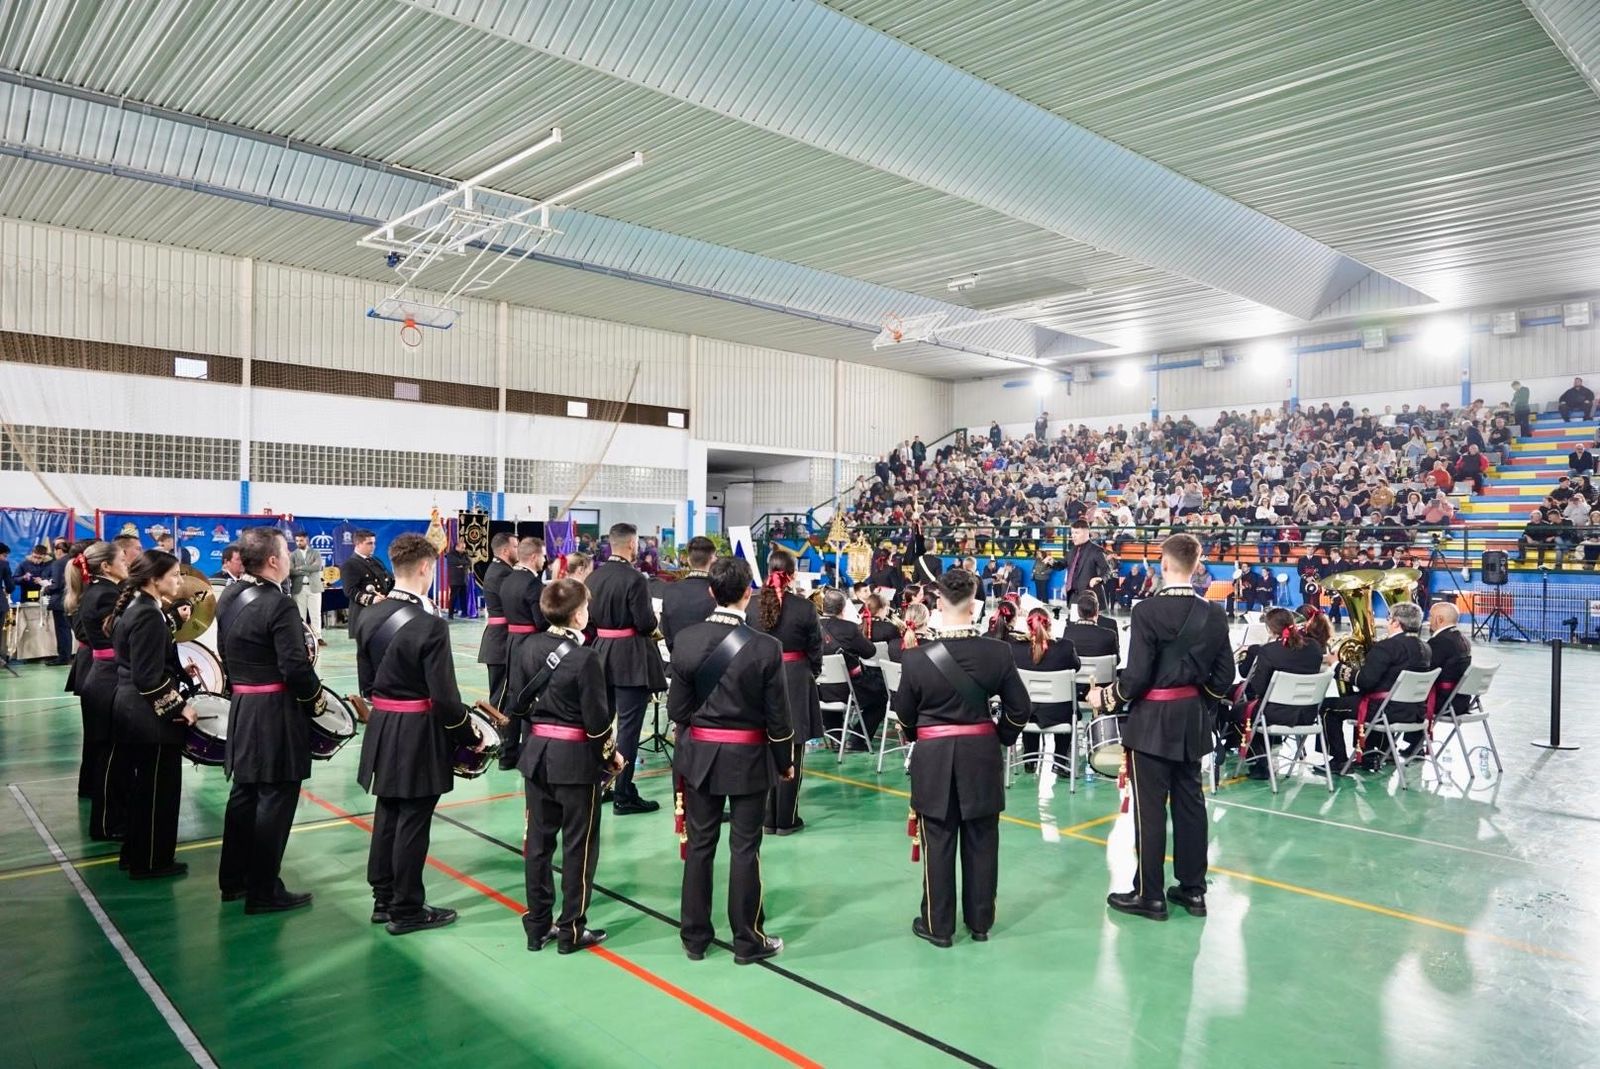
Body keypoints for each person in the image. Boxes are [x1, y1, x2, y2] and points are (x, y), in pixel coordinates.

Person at [1090, 533, 1232, 922]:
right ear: (1196, 565)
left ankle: (1150, 894)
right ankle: (1193, 890)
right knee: (1191, 806)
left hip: (1152, 723)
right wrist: (1195, 702)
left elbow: (1135, 678)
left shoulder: (1146, 612)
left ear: (1164, 565)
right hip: (1191, 720)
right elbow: (1225, 677)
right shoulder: (1215, 614)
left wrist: (1105, 698)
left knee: (1150, 812)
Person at [894, 568, 1030, 947]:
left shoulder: (917, 659)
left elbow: (904, 715)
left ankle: (939, 926)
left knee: (938, 839)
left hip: (934, 757)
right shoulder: (998, 652)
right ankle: (981, 922)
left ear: (939, 603)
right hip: (981, 755)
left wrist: (920, 735)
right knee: (982, 839)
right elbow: (1021, 707)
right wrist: (998, 737)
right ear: (974, 604)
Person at [354, 532, 482, 935]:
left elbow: (367, 684)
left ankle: (383, 897)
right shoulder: (429, 625)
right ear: (427, 567)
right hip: (417, 729)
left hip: (384, 724)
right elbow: (445, 698)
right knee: (413, 817)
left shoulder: (368, 616)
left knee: (388, 811)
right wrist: (467, 734)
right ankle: (407, 908)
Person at [669, 557, 795, 965]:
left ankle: (694, 937)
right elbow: (778, 717)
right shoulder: (765, 647)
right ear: (748, 594)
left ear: (711, 592)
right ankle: (747, 939)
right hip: (749, 759)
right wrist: (785, 760)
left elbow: (678, 709)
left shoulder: (685, 639)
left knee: (700, 846)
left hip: (700, 757)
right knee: (745, 848)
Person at [216, 527, 325, 914]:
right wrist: (316, 701)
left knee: (244, 794)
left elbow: (224, 652)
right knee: (276, 796)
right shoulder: (279, 604)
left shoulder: (229, 595)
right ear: (275, 561)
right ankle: (264, 889)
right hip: (275, 709)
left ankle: (234, 879)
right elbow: (294, 666)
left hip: (243, 706)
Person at [510, 578, 619, 953]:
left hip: (537, 756)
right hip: (575, 762)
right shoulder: (586, 657)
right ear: (578, 615)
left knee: (538, 844)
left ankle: (537, 925)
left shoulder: (526, 647)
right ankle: (571, 928)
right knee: (579, 847)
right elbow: (597, 720)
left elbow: (518, 704)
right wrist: (611, 755)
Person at [108, 550, 197, 879]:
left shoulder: (141, 608)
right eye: (173, 575)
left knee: (144, 788)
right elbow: (147, 678)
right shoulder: (146, 614)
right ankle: (152, 861)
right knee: (158, 790)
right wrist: (180, 706)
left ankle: (135, 854)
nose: (178, 580)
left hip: (132, 707)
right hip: (148, 716)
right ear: (153, 579)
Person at [586, 522, 666, 815]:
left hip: (600, 654)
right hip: (630, 658)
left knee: (602, 725)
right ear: (632, 545)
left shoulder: (593, 577)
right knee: (629, 730)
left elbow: (589, 622)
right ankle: (623, 793)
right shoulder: (635, 579)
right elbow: (645, 623)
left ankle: (600, 784)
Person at [745, 547, 821, 834]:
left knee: (763, 747)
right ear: (793, 575)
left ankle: (765, 818)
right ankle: (786, 819)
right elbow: (816, 648)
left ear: (768, 570)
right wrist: (808, 673)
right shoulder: (805, 607)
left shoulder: (751, 605)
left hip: (758, 678)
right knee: (793, 748)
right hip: (795, 678)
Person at [1319, 601, 1431, 773]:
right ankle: (1375, 753)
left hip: (1384, 711)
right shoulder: (1425, 647)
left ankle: (1339, 760)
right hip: (1412, 711)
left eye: (1389, 618)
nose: (1387, 622)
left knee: (1326, 707)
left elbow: (1366, 681)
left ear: (1395, 622)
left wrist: (1336, 665)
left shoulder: (1387, 647)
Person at [67, 542, 128, 839]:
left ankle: (110, 821)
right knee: (111, 758)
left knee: (108, 755)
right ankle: (107, 824)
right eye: (122, 559)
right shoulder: (106, 594)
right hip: (107, 680)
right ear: (106, 566)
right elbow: (121, 636)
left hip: (102, 677)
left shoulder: (98, 591)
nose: (127, 563)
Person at [1231, 607, 1326, 779]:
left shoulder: (1269, 651)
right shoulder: (1314, 647)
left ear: (1269, 629)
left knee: (1238, 713)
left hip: (1275, 714)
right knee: (1255, 711)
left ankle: (1259, 761)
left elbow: (1259, 689)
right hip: (1308, 714)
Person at [994, 601, 1078, 775]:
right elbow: (1076, 667)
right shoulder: (1065, 647)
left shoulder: (1015, 649)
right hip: (1059, 713)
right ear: (1050, 624)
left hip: (1026, 712)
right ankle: (1060, 760)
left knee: (1028, 701)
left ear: (1027, 624)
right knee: (1065, 706)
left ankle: (1029, 758)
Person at [817, 587, 887, 748]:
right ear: (843, 608)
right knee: (881, 698)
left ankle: (835, 737)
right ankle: (858, 739)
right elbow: (870, 651)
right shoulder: (848, 628)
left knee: (832, 686)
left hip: (820, 689)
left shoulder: (813, 626)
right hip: (848, 689)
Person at [476, 532, 517, 699]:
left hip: (498, 640)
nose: (519, 550)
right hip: (501, 642)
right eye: (515, 546)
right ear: (506, 551)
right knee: (501, 698)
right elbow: (514, 605)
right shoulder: (502, 573)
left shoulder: (499, 569)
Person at [660, 536, 717, 651]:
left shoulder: (670, 590)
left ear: (689, 561)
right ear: (712, 559)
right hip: (712, 660)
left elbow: (666, 631)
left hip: (678, 657)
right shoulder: (719, 591)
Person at [339, 529, 393, 639]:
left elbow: (388, 581)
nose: (373, 546)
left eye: (374, 543)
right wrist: (372, 599)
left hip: (381, 613)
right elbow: (350, 591)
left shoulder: (376, 561)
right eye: (369, 543)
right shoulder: (350, 564)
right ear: (358, 544)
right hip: (364, 615)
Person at [289, 532, 326, 648]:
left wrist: (301, 568)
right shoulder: (293, 555)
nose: (299, 543)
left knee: (315, 614)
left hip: (314, 587)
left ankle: (318, 637)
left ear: (307, 540)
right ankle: (302, 637)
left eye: (301, 540)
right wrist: (308, 569)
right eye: (297, 541)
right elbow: (291, 571)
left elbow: (317, 567)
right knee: (301, 614)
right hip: (299, 587)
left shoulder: (315, 553)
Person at [1062, 520, 1111, 605]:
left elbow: (1107, 570)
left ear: (1086, 533)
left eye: (1076, 533)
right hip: (1073, 597)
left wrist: (1099, 579)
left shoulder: (1096, 550)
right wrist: (1051, 563)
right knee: (1073, 618)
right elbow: (1062, 564)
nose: (1073, 536)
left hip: (1090, 598)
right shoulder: (1072, 550)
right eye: (1072, 533)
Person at [1063, 592, 1119, 661]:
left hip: (1078, 671)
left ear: (1078, 612)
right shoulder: (1110, 635)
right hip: (1103, 671)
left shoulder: (1068, 632)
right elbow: (1117, 660)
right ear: (1097, 611)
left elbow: (1065, 658)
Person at [44, 539, 72, 665]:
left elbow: (56, 585)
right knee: (67, 630)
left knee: (62, 630)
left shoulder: (58, 563)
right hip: (71, 599)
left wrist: (46, 588)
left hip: (59, 601)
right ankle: (66, 655)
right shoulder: (72, 561)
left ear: (59, 550)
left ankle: (63, 657)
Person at [445, 539, 470, 619]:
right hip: (455, 580)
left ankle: (464, 613)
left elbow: (469, 562)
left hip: (464, 579)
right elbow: (454, 562)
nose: (464, 549)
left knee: (463, 597)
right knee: (453, 598)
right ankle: (450, 614)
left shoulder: (465, 554)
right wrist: (463, 564)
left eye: (464, 548)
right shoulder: (450, 554)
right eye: (462, 548)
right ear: (457, 547)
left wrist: (462, 565)